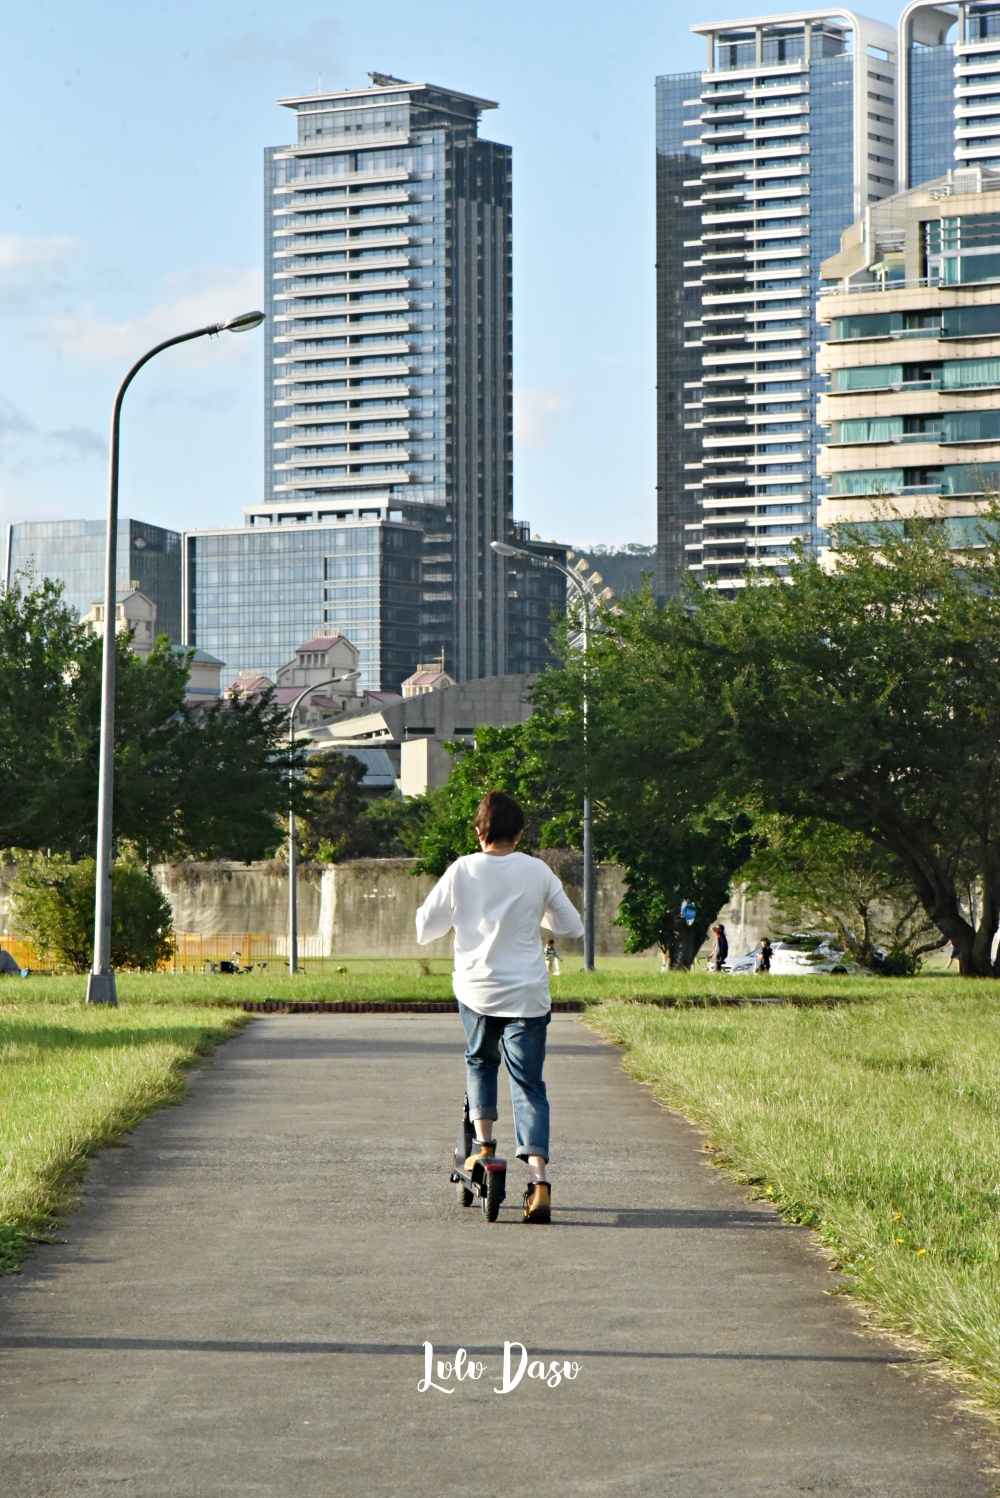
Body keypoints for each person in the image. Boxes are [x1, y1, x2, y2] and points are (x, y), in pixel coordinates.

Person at [415, 790, 584, 1224]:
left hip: (477, 992)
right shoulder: (537, 870)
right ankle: (540, 1182)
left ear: (479, 831)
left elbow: (425, 929)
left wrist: (467, 913)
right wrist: (533, 912)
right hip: (527, 994)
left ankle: (484, 1153)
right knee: (529, 1084)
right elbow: (571, 926)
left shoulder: (461, 870)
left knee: (480, 1062)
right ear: (520, 832)